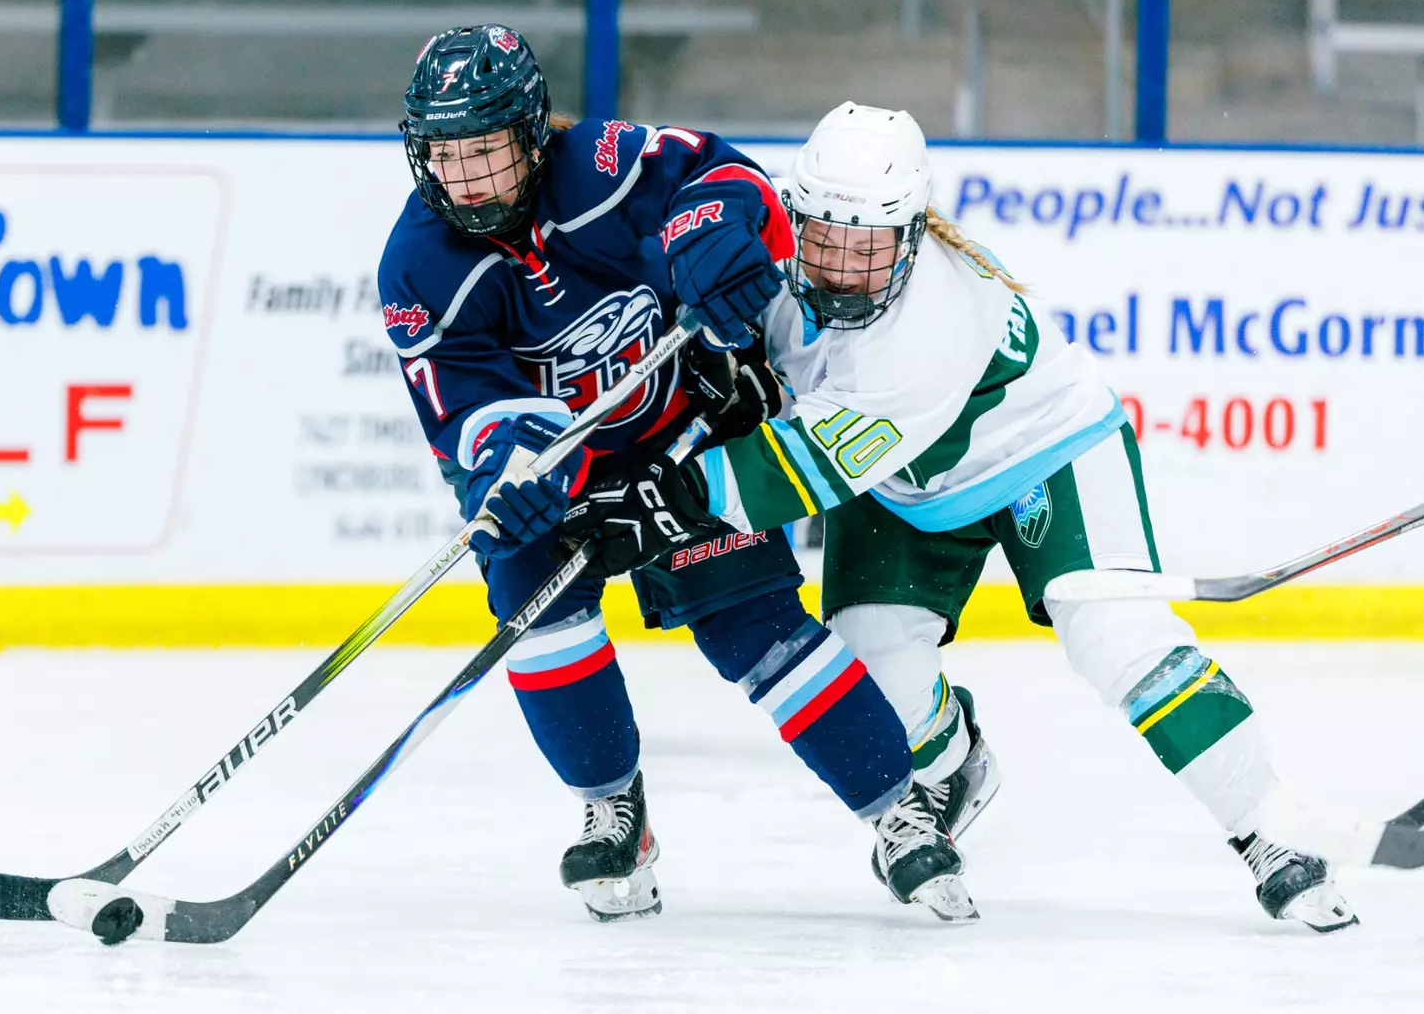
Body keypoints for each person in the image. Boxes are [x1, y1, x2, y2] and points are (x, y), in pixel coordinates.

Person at [557, 101, 1358, 933]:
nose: (835, 269)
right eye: (822, 238)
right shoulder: (784, 266)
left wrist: (666, 502)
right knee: (871, 661)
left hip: (1044, 452)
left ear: (908, 236)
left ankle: (1270, 833)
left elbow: (802, 469)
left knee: (1120, 643)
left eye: (864, 249)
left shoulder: (931, 322)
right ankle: (957, 761)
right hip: (905, 484)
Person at [378, 30, 974, 923]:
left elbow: (726, 180)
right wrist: (517, 464)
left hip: (683, 438)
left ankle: (899, 811)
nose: (468, 180)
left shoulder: (601, 164)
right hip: (560, 472)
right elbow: (463, 410)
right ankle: (614, 809)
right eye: (448, 156)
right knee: (540, 623)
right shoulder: (416, 267)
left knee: (756, 631)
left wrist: (713, 240)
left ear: (533, 136)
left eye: (487, 153)